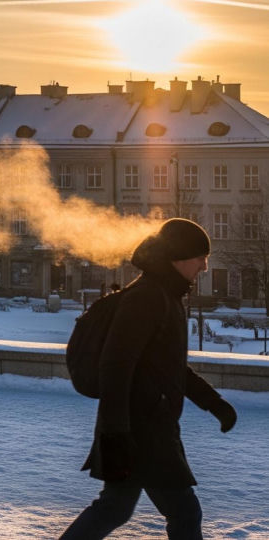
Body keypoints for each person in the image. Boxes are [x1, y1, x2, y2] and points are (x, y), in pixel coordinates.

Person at [59, 218, 238, 540]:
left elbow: (169, 367)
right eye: (200, 257)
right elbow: (115, 366)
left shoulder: (164, 295)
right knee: (183, 512)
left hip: (143, 426)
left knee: (115, 508)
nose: (205, 266)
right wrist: (116, 433)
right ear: (179, 257)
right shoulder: (147, 298)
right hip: (141, 431)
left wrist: (215, 403)